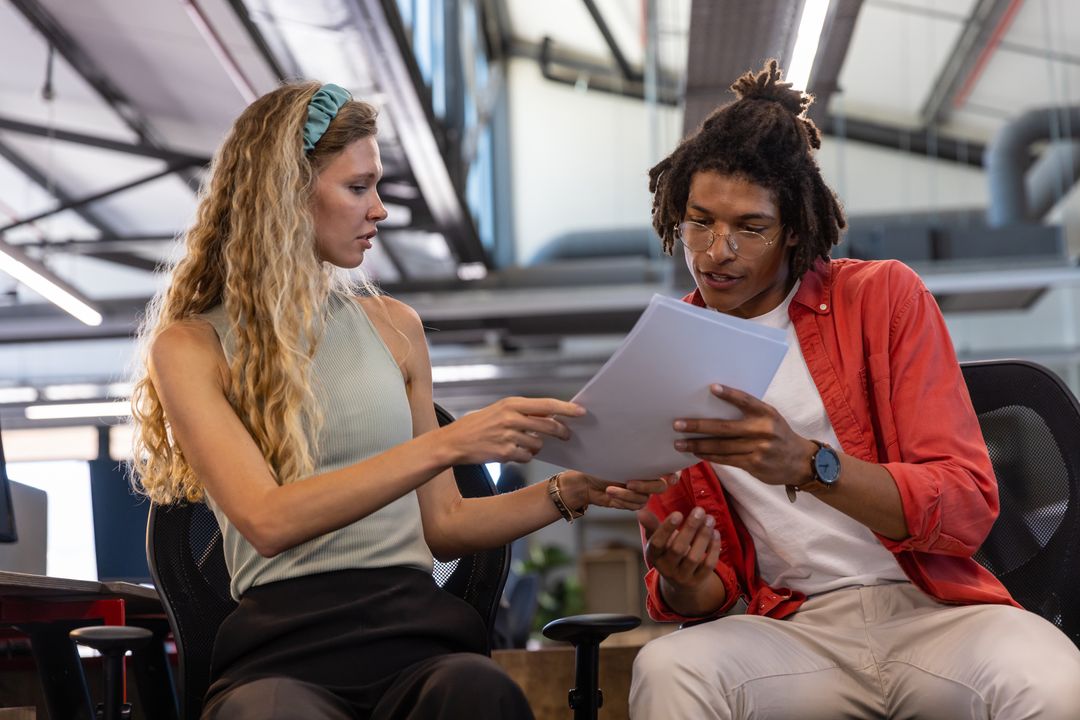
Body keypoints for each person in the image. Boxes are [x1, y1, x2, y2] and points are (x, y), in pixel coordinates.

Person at [129, 81, 670, 720]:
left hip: (415, 639)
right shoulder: (191, 347)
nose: (379, 209)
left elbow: (442, 528)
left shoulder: (395, 328)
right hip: (281, 654)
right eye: (358, 188)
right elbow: (268, 521)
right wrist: (449, 441)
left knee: (479, 694)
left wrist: (570, 491)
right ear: (285, 195)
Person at [628, 60, 1080, 719]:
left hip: (934, 612)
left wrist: (812, 467)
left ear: (791, 227)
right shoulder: (668, 358)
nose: (717, 249)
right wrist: (683, 577)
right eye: (699, 221)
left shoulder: (881, 299)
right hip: (792, 629)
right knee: (668, 670)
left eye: (749, 227)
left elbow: (964, 506)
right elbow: (707, 595)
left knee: (1054, 684)